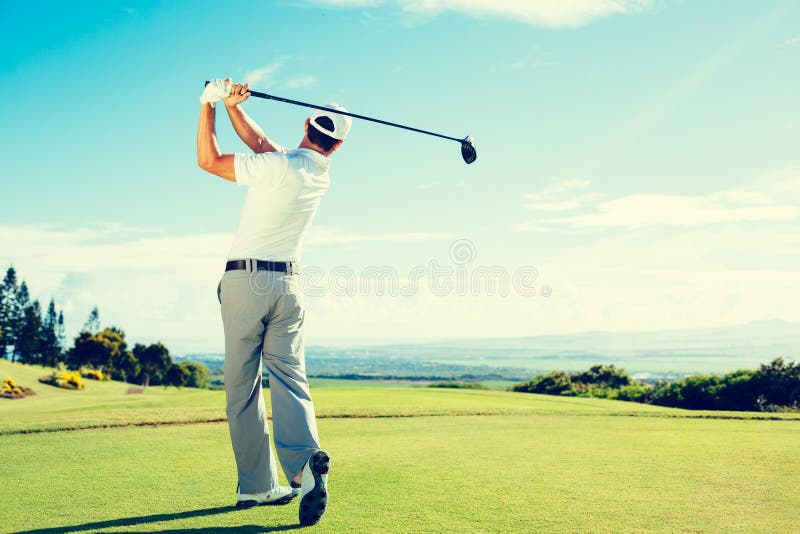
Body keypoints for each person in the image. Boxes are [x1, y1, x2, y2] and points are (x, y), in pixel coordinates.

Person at [196, 78, 351, 526]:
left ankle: (258, 486)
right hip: (289, 289)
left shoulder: (280, 167)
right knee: (290, 379)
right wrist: (231, 105)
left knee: (242, 390)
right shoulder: (316, 173)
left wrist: (206, 105)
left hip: (246, 282)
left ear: (306, 122)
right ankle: (304, 466)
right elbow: (262, 144)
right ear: (336, 146)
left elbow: (208, 160)